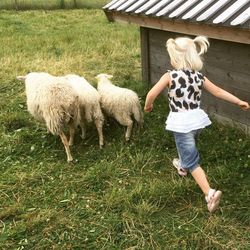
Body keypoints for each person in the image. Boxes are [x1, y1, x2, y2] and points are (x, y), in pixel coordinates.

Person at [144, 36, 249, 213]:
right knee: (187, 147)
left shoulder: (169, 76)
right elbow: (217, 91)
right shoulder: (199, 77)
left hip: (182, 123)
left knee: (192, 160)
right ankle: (183, 166)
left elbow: (152, 93)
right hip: (197, 122)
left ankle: (209, 193)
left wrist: (148, 105)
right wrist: (238, 101)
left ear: (175, 58)